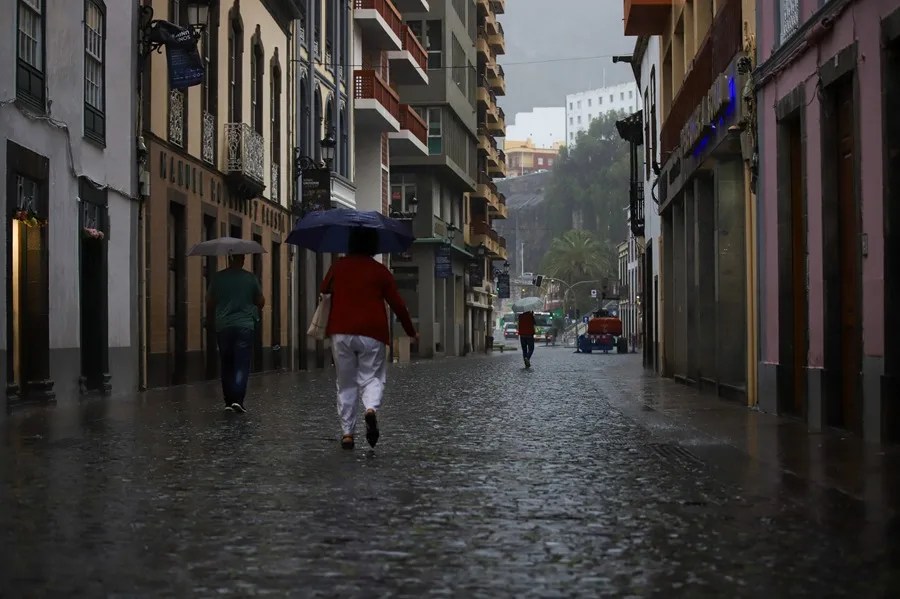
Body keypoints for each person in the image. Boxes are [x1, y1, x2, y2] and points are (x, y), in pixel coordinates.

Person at [321, 227, 417, 450]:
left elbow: (324, 289)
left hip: (341, 330)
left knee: (345, 383)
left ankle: (347, 433)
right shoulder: (380, 271)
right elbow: (398, 304)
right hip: (372, 332)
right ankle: (370, 409)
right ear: (373, 246)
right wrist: (411, 331)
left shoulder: (338, 267)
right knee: (372, 377)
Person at [206, 253, 265, 413]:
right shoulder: (250, 278)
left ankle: (228, 401)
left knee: (226, 363)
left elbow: (209, 302)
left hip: (223, 325)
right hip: (245, 325)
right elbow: (260, 301)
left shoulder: (218, 278)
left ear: (229, 258)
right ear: (242, 259)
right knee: (241, 363)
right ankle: (237, 399)